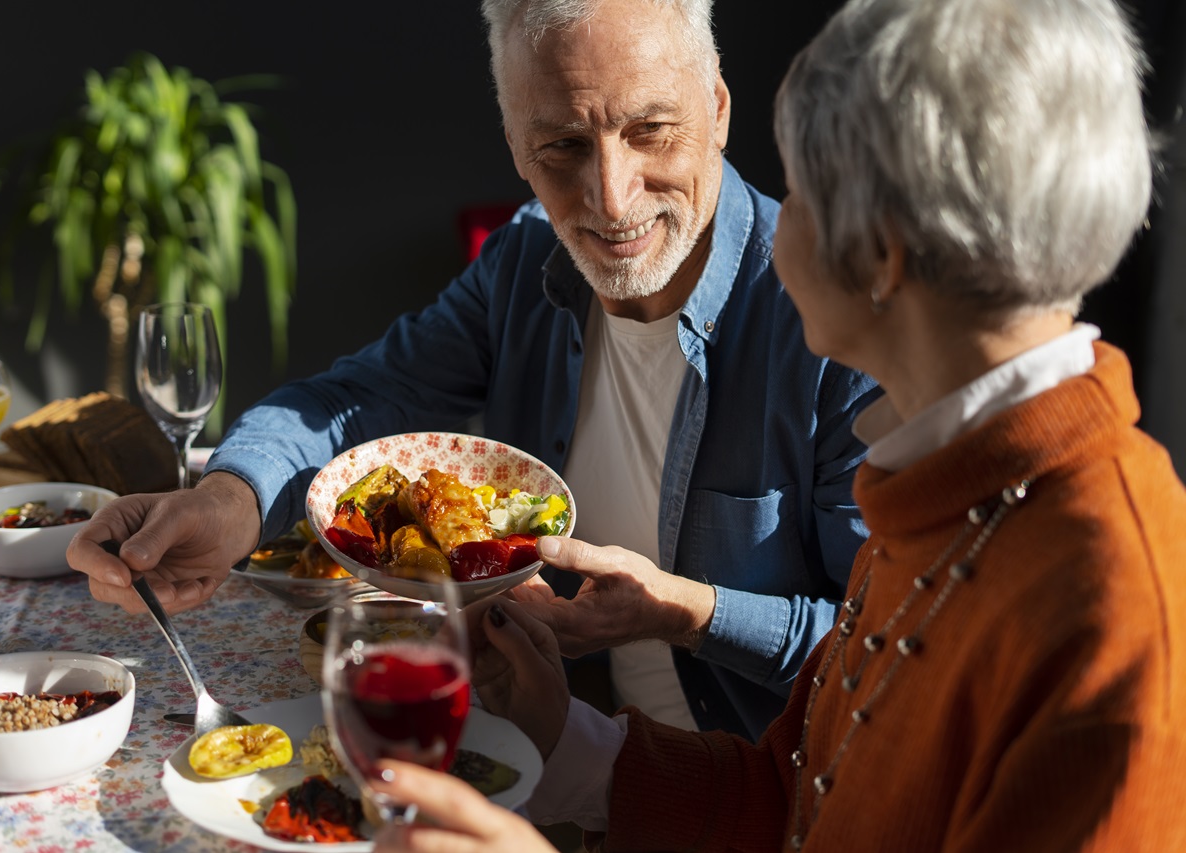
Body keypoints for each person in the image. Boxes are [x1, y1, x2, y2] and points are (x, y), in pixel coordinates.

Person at [365, 0, 1186, 850]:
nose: (768, 217)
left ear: (879, 250)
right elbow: (799, 797)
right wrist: (561, 733)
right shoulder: (944, 489)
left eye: (800, 188)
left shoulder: (1116, 608)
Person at [67, 0, 879, 740]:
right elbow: (357, 400)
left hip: (752, 797)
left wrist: (684, 611)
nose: (611, 194)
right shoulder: (524, 260)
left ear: (719, 110)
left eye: (651, 130)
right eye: (562, 145)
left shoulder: (840, 325)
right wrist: (228, 502)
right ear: (518, 151)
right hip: (549, 764)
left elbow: (887, 652)